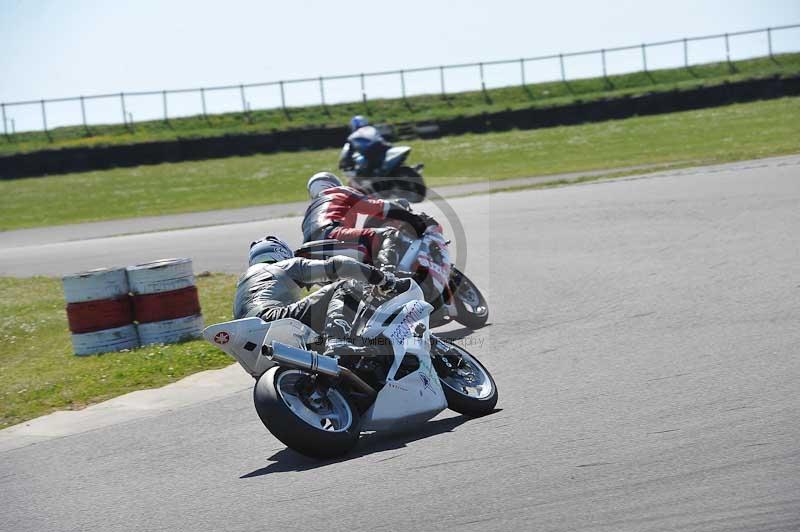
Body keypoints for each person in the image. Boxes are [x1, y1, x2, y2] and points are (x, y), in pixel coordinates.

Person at [232, 235, 395, 356]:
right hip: (274, 319)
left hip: (247, 339)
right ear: (282, 253)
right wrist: (381, 278)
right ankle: (337, 341)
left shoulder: (241, 284)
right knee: (347, 286)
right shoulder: (286, 266)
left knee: (318, 342)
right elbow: (339, 266)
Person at [301, 172, 439, 270]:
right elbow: (376, 207)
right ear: (334, 183)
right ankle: (388, 274)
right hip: (333, 234)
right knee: (389, 235)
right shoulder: (339, 191)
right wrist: (411, 218)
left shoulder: (310, 210)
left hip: (310, 251)